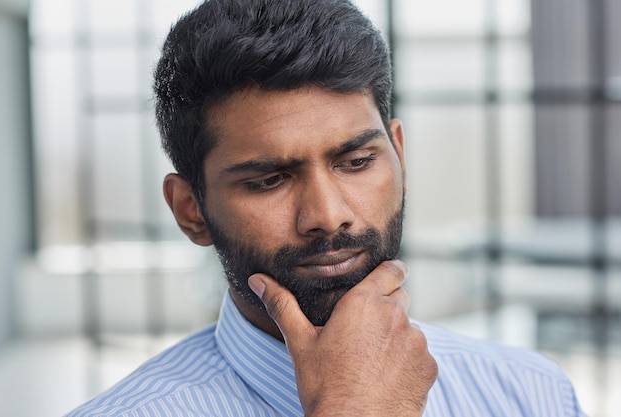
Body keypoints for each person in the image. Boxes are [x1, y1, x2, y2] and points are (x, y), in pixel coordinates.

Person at [66, 0, 586, 416]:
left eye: (357, 161)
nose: (328, 214)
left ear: (399, 156)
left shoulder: (533, 394)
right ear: (190, 210)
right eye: (268, 179)